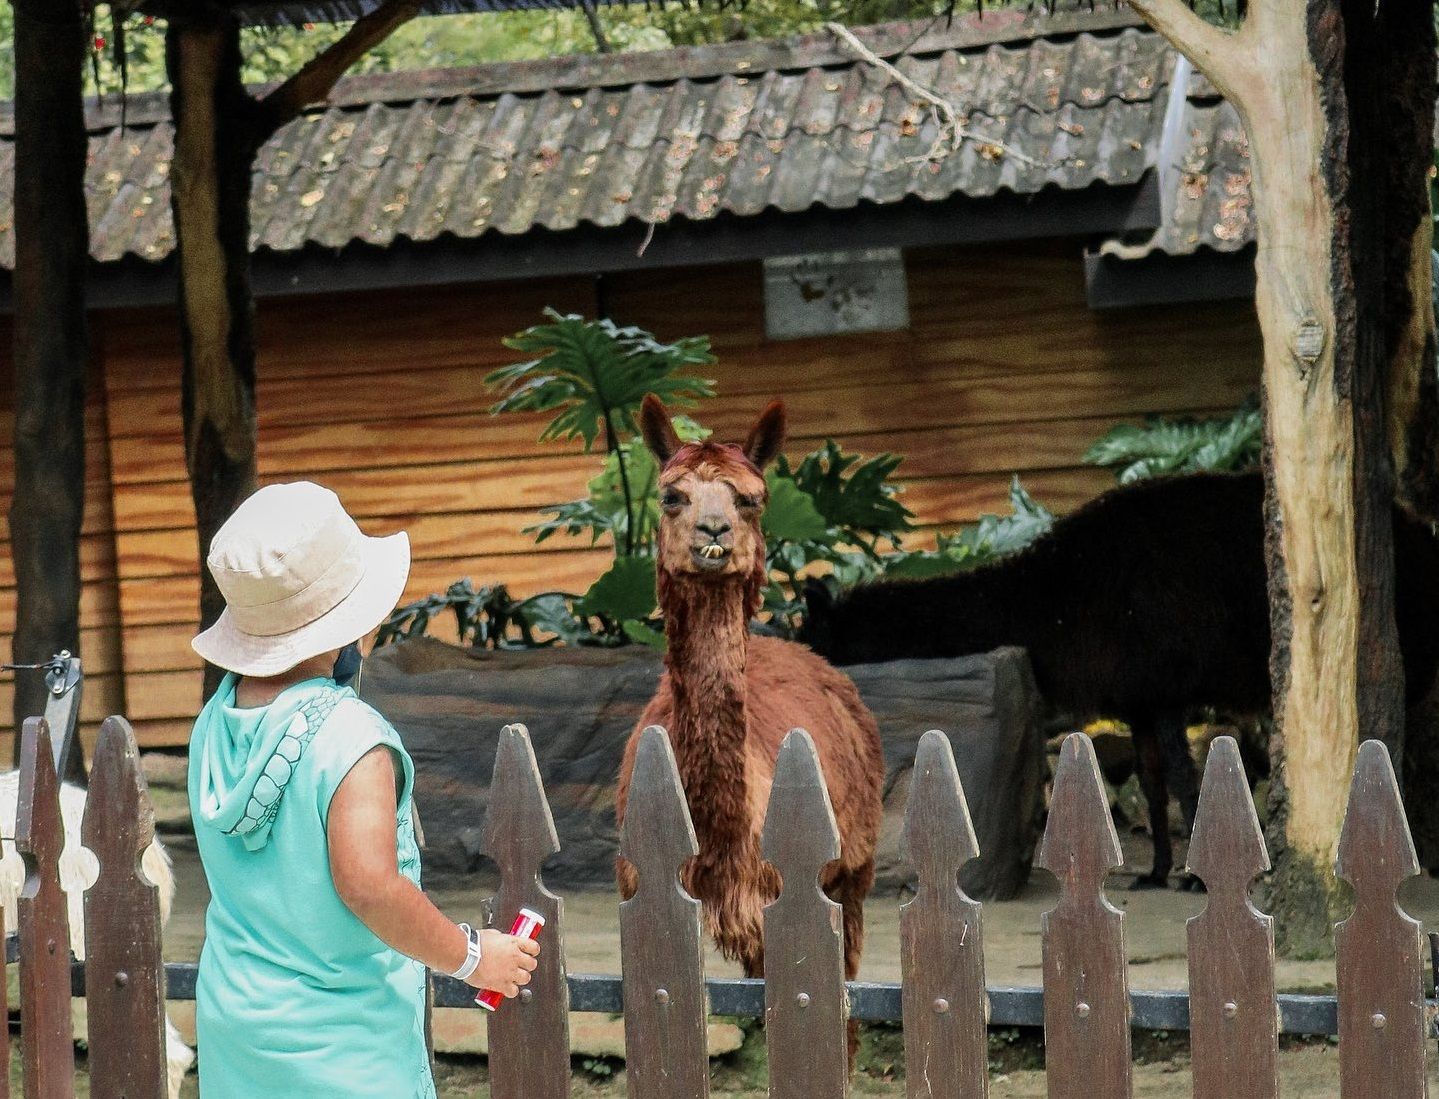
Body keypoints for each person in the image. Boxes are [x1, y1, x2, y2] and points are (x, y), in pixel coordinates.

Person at [187, 481, 538, 1098]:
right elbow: (370, 886)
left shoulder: (213, 725)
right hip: (343, 1044)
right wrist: (471, 956)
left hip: (236, 1024)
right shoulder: (351, 738)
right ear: (344, 625)